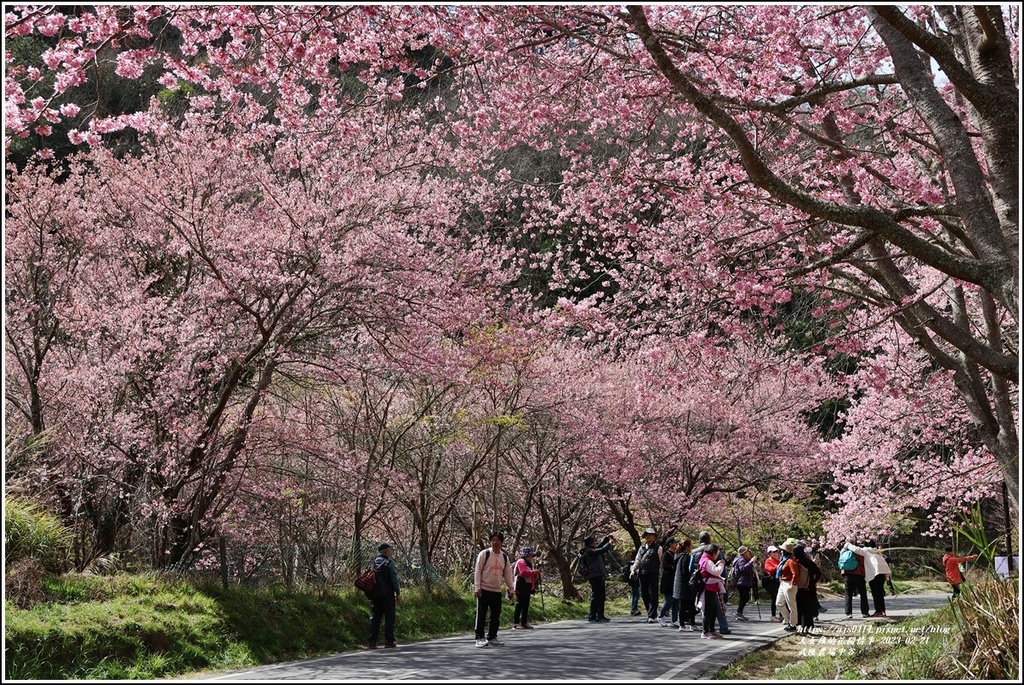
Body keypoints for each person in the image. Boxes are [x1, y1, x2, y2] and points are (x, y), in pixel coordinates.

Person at [474, 532, 516, 647]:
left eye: (498, 540)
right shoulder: (484, 554)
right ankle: (479, 637)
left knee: (495, 615)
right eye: (493, 540)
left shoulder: (504, 557)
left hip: (496, 591)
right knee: (481, 614)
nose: (495, 542)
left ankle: (492, 637)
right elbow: (477, 571)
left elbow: (508, 575)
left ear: (501, 542)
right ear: (490, 542)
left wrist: (511, 589)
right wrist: (477, 587)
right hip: (484, 589)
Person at [367, 542, 401, 650]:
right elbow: (394, 579)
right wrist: (398, 593)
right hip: (387, 594)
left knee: (375, 617)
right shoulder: (389, 563)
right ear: (386, 551)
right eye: (390, 550)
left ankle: (372, 642)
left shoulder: (373, 563)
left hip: (375, 594)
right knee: (389, 617)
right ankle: (389, 641)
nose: (391, 552)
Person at [850, 539, 893, 617]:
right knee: (880, 593)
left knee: (875, 593)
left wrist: (847, 544)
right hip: (882, 573)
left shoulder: (866, 550)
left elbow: (856, 549)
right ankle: (882, 611)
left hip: (875, 574)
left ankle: (879, 611)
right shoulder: (876, 551)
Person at [630, 527, 663, 623]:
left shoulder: (658, 548)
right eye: (646, 535)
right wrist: (633, 570)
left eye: (650, 534)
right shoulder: (642, 547)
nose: (648, 536)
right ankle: (650, 612)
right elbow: (638, 559)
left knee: (653, 594)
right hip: (642, 573)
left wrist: (662, 572)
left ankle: (652, 615)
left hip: (653, 573)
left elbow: (661, 561)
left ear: (654, 536)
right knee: (644, 594)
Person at [583, 533, 615, 623]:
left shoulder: (592, 549)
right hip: (594, 575)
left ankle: (600, 615)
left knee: (601, 596)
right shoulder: (588, 551)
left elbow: (600, 546)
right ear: (590, 543)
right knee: (596, 595)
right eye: (594, 542)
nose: (595, 543)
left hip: (599, 575)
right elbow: (601, 550)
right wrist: (609, 543)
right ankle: (592, 616)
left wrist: (606, 538)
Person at [698, 543, 726, 638]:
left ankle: (712, 629)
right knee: (708, 610)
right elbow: (716, 571)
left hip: (712, 587)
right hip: (708, 588)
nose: (718, 555)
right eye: (717, 552)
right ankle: (705, 631)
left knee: (713, 610)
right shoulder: (707, 561)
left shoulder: (706, 559)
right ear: (713, 552)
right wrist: (721, 564)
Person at [793, 543, 822, 634]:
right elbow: (819, 573)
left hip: (800, 587)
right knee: (807, 608)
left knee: (800, 607)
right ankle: (809, 626)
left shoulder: (796, 563)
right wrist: (813, 581)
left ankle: (801, 626)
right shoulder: (809, 562)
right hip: (810, 587)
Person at [840, 536, 870, 619]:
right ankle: (865, 612)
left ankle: (848, 613)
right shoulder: (858, 551)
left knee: (848, 594)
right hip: (858, 574)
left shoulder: (843, 551)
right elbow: (862, 560)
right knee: (863, 594)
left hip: (847, 575)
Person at [513, 546, 542, 630]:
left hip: (527, 586)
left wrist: (537, 575)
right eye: (530, 555)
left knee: (526, 604)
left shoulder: (528, 563)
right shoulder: (521, 562)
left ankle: (524, 622)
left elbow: (531, 575)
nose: (531, 557)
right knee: (520, 604)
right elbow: (523, 572)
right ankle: (516, 623)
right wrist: (534, 572)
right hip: (520, 585)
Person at [672, 538, 697, 632]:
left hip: (681, 584)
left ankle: (692, 624)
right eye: (690, 545)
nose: (692, 547)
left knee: (690, 605)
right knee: (683, 606)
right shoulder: (685, 557)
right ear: (687, 547)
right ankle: (682, 625)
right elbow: (686, 571)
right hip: (684, 584)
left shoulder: (679, 556)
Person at [775, 538, 799, 632]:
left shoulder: (791, 561)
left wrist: (792, 584)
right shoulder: (784, 560)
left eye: (782, 550)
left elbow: (795, 574)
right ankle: (789, 620)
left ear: (785, 551)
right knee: (779, 603)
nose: (780, 551)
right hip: (783, 583)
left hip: (789, 584)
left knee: (792, 606)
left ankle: (793, 624)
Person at [658, 538, 681, 627]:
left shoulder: (674, 554)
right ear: (670, 544)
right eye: (675, 543)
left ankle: (674, 620)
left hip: (674, 580)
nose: (676, 544)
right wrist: (674, 566)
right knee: (670, 599)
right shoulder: (666, 554)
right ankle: (660, 615)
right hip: (668, 580)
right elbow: (665, 566)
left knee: (676, 600)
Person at [732, 546, 758, 621]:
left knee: (744, 598)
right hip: (742, 581)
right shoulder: (741, 560)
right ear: (743, 553)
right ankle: (738, 612)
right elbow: (743, 568)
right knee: (744, 598)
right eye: (747, 552)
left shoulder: (742, 559)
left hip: (744, 581)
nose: (748, 553)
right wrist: (750, 562)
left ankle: (739, 612)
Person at [762, 545, 781, 622]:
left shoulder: (778, 561)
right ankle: (773, 615)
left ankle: (781, 615)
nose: (776, 553)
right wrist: (778, 567)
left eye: (777, 551)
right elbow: (770, 569)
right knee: (775, 598)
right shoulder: (768, 561)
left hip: (779, 581)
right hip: (772, 582)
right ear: (769, 553)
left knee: (781, 599)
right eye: (774, 552)